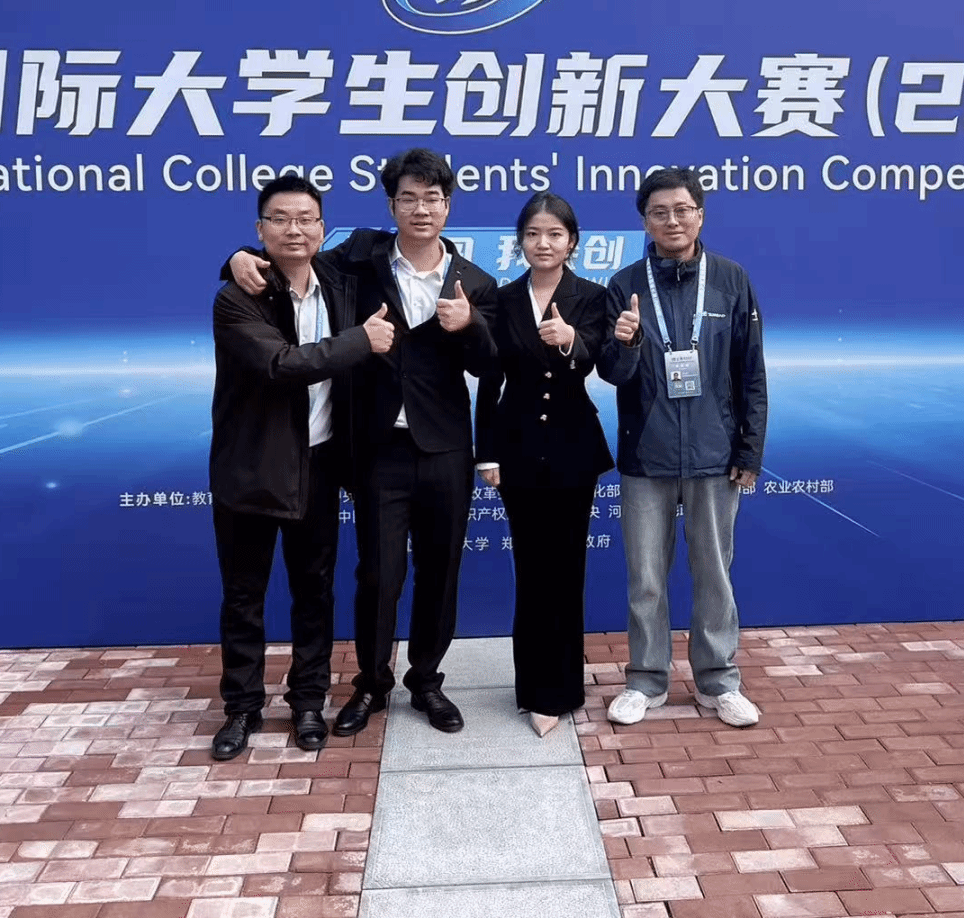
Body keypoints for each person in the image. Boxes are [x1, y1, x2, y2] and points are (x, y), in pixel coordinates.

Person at [227, 148, 497, 736]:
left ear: (448, 206)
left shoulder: (476, 282)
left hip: (447, 449)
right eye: (408, 198)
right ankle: (372, 683)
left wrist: (471, 324)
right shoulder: (357, 260)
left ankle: (426, 681)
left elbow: (492, 362)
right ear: (391, 205)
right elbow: (291, 258)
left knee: (440, 572)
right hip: (377, 450)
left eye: (432, 199)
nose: (421, 209)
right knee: (377, 575)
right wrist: (237, 258)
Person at [207, 175, 396, 760]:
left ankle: (308, 700)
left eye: (306, 219)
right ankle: (242, 707)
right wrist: (362, 340)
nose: (294, 230)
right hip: (251, 469)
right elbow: (281, 365)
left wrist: (233, 253)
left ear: (321, 228)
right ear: (260, 229)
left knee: (314, 591)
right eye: (280, 219)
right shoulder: (238, 297)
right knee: (244, 596)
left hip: (318, 466)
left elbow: (395, 239)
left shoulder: (337, 280)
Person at [598, 167, 769, 728]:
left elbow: (751, 373)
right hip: (645, 456)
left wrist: (749, 451)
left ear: (700, 214)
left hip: (715, 455)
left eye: (682, 210)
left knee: (714, 574)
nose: (671, 220)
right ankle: (646, 680)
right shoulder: (624, 283)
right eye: (659, 212)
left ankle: (718, 681)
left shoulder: (730, 279)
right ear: (644, 221)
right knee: (646, 579)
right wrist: (624, 343)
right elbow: (612, 373)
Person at [474, 193, 616, 737]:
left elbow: (601, 357)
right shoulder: (503, 298)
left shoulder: (592, 296)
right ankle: (533, 690)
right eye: (533, 234)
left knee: (566, 570)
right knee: (532, 569)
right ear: (520, 242)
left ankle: (562, 690)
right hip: (516, 449)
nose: (543, 243)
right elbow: (489, 379)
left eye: (555, 234)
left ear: (572, 241)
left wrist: (572, 341)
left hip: (573, 449)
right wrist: (486, 452)